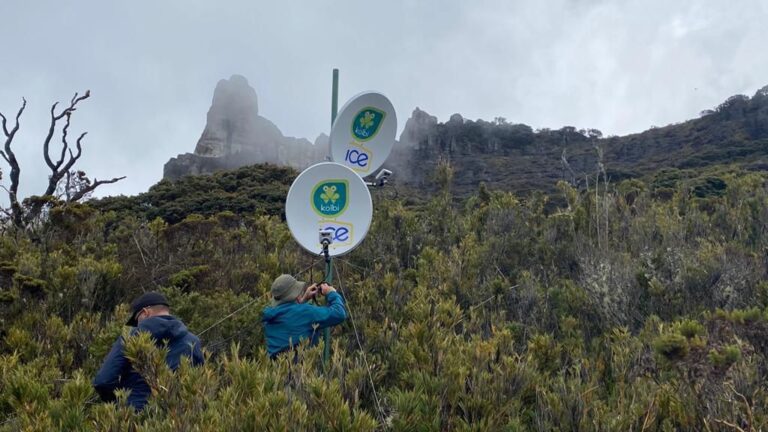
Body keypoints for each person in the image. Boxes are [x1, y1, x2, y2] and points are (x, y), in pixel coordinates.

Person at [93, 292, 204, 410]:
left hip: (135, 414)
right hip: (176, 416)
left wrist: (120, 403)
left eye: (136, 320)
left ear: (145, 313)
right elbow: (199, 384)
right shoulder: (193, 341)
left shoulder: (130, 338)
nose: (136, 325)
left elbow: (103, 382)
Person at [262, 274, 347, 359]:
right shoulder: (306, 312)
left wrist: (303, 300)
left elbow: (291, 318)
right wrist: (331, 293)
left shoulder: (269, 316)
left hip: (275, 369)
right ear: (295, 295)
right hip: (300, 370)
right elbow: (339, 313)